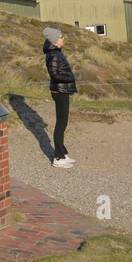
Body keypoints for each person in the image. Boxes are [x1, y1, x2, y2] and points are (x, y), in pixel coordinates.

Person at [43, 26, 76, 167]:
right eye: (61, 37)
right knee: (61, 124)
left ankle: (62, 152)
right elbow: (55, 74)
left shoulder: (56, 52)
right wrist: (71, 77)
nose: (63, 40)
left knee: (63, 123)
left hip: (62, 90)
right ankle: (58, 158)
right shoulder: (54, 55)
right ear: (55, 41)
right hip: (60, 91)